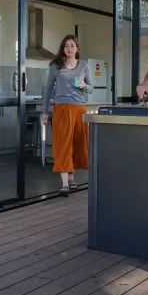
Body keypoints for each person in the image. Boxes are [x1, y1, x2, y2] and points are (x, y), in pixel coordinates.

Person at [42, 34, 94, 196]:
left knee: (78, 144)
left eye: (72, 46)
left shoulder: (83, 66)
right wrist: (45, 111)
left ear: (77, 49)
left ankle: (72, 179)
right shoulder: (56, 66)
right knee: (63, 144)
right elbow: (48, 90)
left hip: (79, 109)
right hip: (62, 109)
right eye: (66, 46)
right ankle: (64, 184)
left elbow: (92, 89)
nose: (69, 48)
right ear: (62, 49)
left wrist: (84, 85)